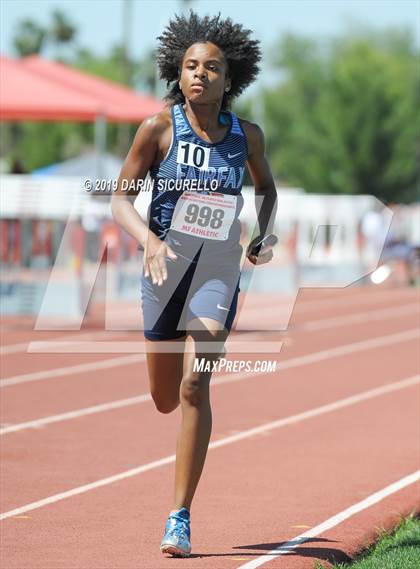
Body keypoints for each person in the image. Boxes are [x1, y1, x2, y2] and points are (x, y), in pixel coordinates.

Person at [111, 11, 277, 557]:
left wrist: (261, 235)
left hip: (218, 273)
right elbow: (118, 197)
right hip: (164, 272)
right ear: (177, 74)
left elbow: (266, 190)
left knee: (193, 386)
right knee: (162, 397)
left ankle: (179, 516)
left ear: (232, 79)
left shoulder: (247, 135)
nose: (200, 74)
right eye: (190, 66)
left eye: (212, 67)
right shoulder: (158, 129)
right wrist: (151, 242)